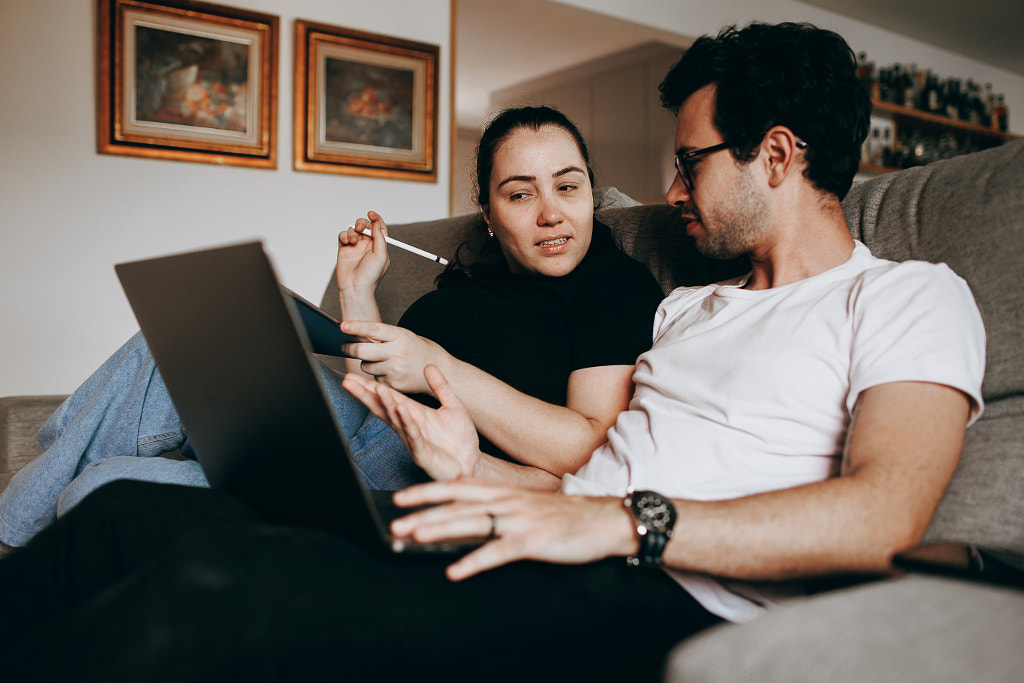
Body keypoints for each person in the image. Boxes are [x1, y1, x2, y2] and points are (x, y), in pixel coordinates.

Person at [0, 22, 986, 682]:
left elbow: (882, 513)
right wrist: (467, 461)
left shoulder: (906, 296)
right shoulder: (691, 310)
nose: (672, 189)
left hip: (658, 587)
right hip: (534, 527)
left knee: (224, 592)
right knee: (125, 514)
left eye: (689, 160)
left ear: (774, 155)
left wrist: (617, 523)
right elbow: (588, 466)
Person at [0, 105, 664, 549]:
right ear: (489, 213)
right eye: (520, 193)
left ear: (591, 194)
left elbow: (590, 448)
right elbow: (372, 383)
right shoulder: (470, 280)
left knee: (95, 490)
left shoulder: (613, 284)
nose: (550, 212)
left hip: (427, 477)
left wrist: (442, 364)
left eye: (568, 186)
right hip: (365, 426)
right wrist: (357, 284)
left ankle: (20, 525)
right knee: (185, 340)